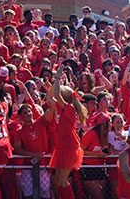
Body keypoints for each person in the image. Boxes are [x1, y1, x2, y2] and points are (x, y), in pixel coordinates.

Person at [49, 65, 87, 198]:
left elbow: (56, 94)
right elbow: (51, 96)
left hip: (69, 147)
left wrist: (58, 77)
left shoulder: (69, 108)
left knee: (63, 180)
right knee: (58, 180)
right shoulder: (60, 108)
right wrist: (56, 81)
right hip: (62, 146)